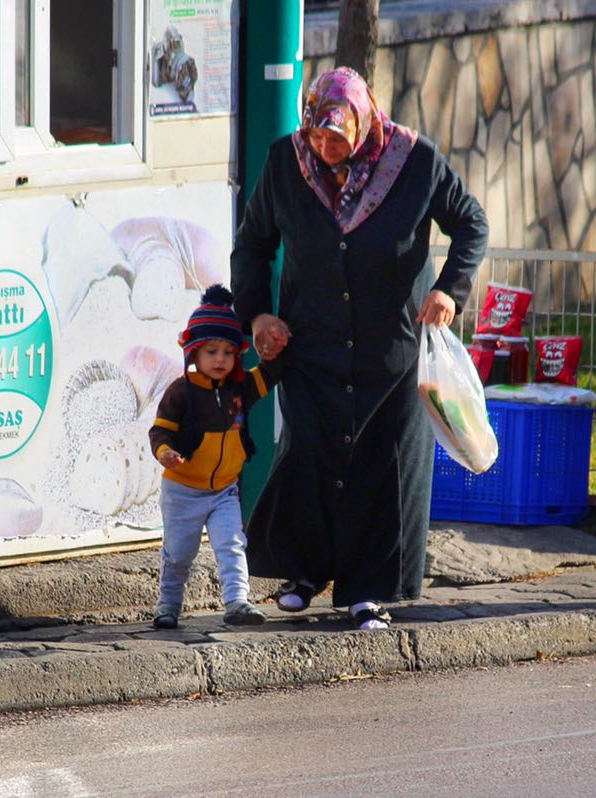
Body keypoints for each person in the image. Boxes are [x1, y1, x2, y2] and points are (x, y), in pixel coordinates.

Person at [230, 66, 488, 631]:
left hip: (391, 349)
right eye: (316, 134)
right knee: (310, 454)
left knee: (381, 465)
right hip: (311, 343)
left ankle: (370, 591)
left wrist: (449, 289)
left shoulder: (414, 162)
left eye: (336, 136)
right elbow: (252, 244)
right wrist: (257, 315)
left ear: (363, 121)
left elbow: (471, 223)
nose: (324, 149)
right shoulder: (286, 163)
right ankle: (304, 575)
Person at [147, 285, 283, 629]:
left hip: (225, 490)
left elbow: (271, 372)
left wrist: (277, 340)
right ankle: (168, 606)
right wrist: (165, 453)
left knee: (232, 543)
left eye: (227, 352)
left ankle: (237, 602)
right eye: (211, 351)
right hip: (183, 491)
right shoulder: (180, 392)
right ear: (193, 352)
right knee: (179, 553)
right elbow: (159, 432)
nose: (220, 359)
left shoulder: (240, 388)